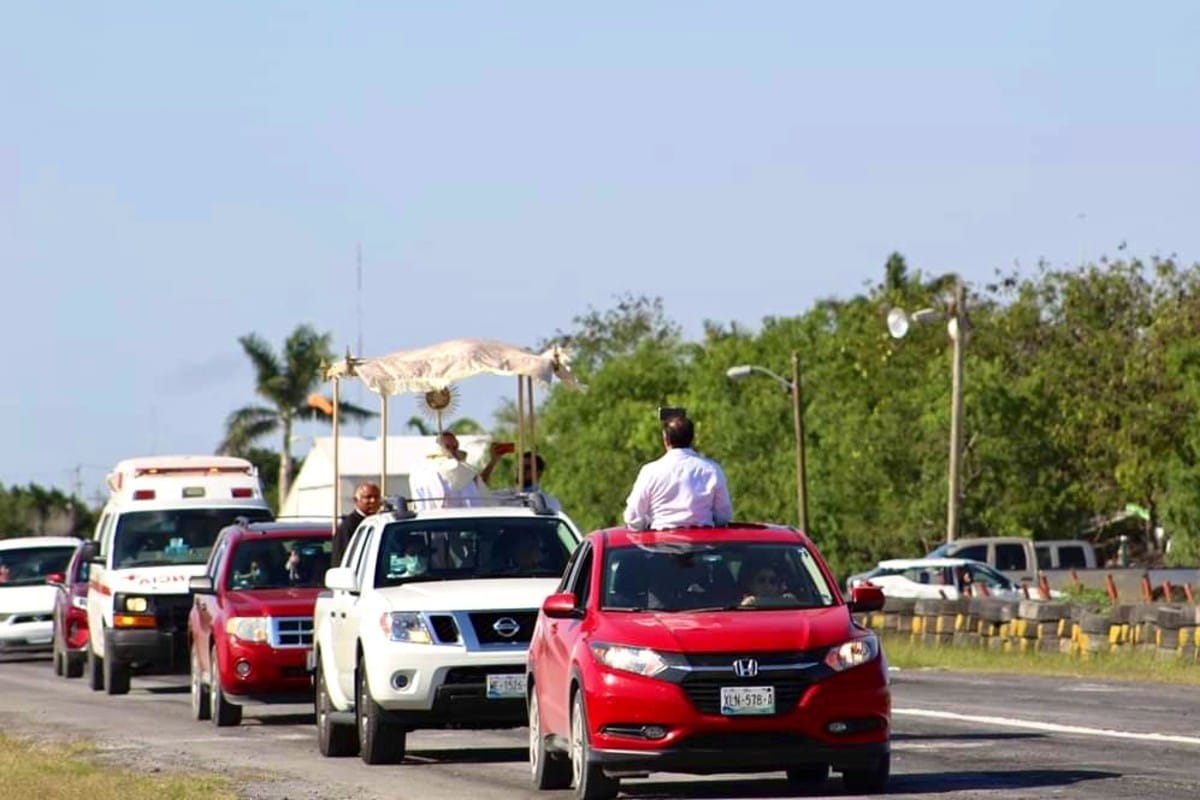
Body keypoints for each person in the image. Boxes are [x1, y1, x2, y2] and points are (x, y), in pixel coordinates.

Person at [623, 415, 733, 531]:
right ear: (692, 439)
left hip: (660, 544)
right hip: (704, 544)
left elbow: (633, 518)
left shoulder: (650, 472)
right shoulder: (712, 470)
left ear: (666, 439)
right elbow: (723, 517)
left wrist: (648, 523)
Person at [409, 432, 486, 509]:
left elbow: (474, 498)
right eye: (447, 447)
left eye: (455, 447)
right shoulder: (421, 472)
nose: (452, 450)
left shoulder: (465, 472)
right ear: (438, 447)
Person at [480, 447, 562, 512]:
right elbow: (478, 491)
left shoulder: (548, 502)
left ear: (539, 473)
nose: (521, 470)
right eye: (519, 467)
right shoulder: (505, 496)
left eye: (527, 467)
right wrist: (493, 461)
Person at [332, 481, 381, 567]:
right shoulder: (348, 526)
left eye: (376, 497)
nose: (373, 501)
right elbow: (341, 559)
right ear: (356, 500)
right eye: (368, 497)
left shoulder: (380, 522)